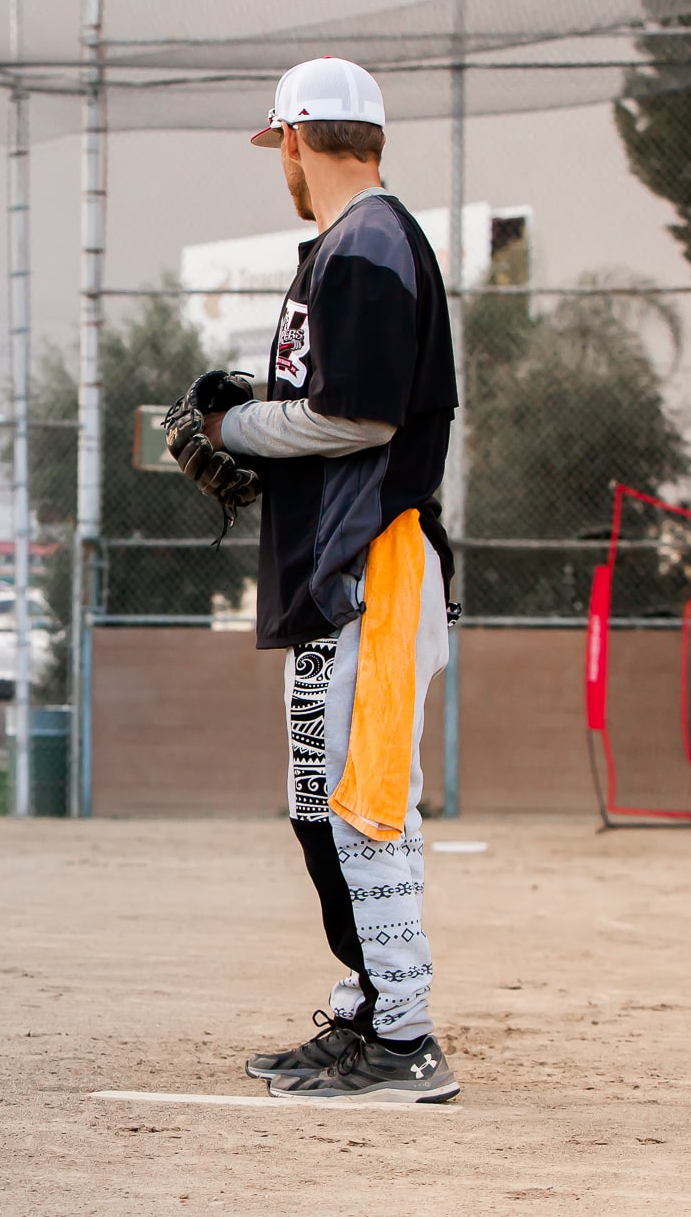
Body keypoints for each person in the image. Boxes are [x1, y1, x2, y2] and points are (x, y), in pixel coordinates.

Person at [211, 58, 462, 1102]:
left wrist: (235, 428)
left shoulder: (364, 246)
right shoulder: (353, 246)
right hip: (339, 568)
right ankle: (368, 1006)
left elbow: (359, 414)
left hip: (375, 567)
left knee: (361, 804)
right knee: (319, 801)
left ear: (298, 142)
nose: (283, 165)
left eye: (281, 147)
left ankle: (403, 1036)